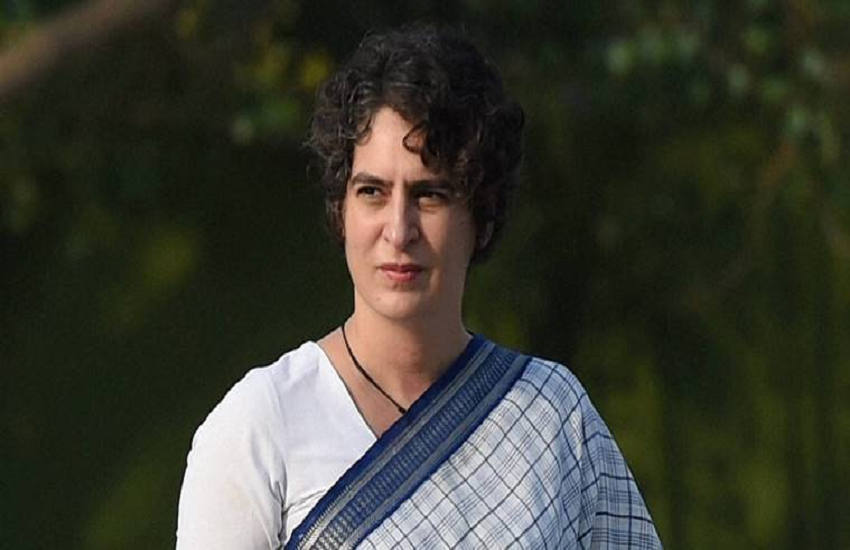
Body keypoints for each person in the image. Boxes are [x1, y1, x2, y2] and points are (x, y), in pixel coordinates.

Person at [176, 23, 662, 549]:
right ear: (341, 212)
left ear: (483, 215)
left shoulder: (549, 416)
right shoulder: (262, 426)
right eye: (372, 192)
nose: (398, 230)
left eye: (430, 195)